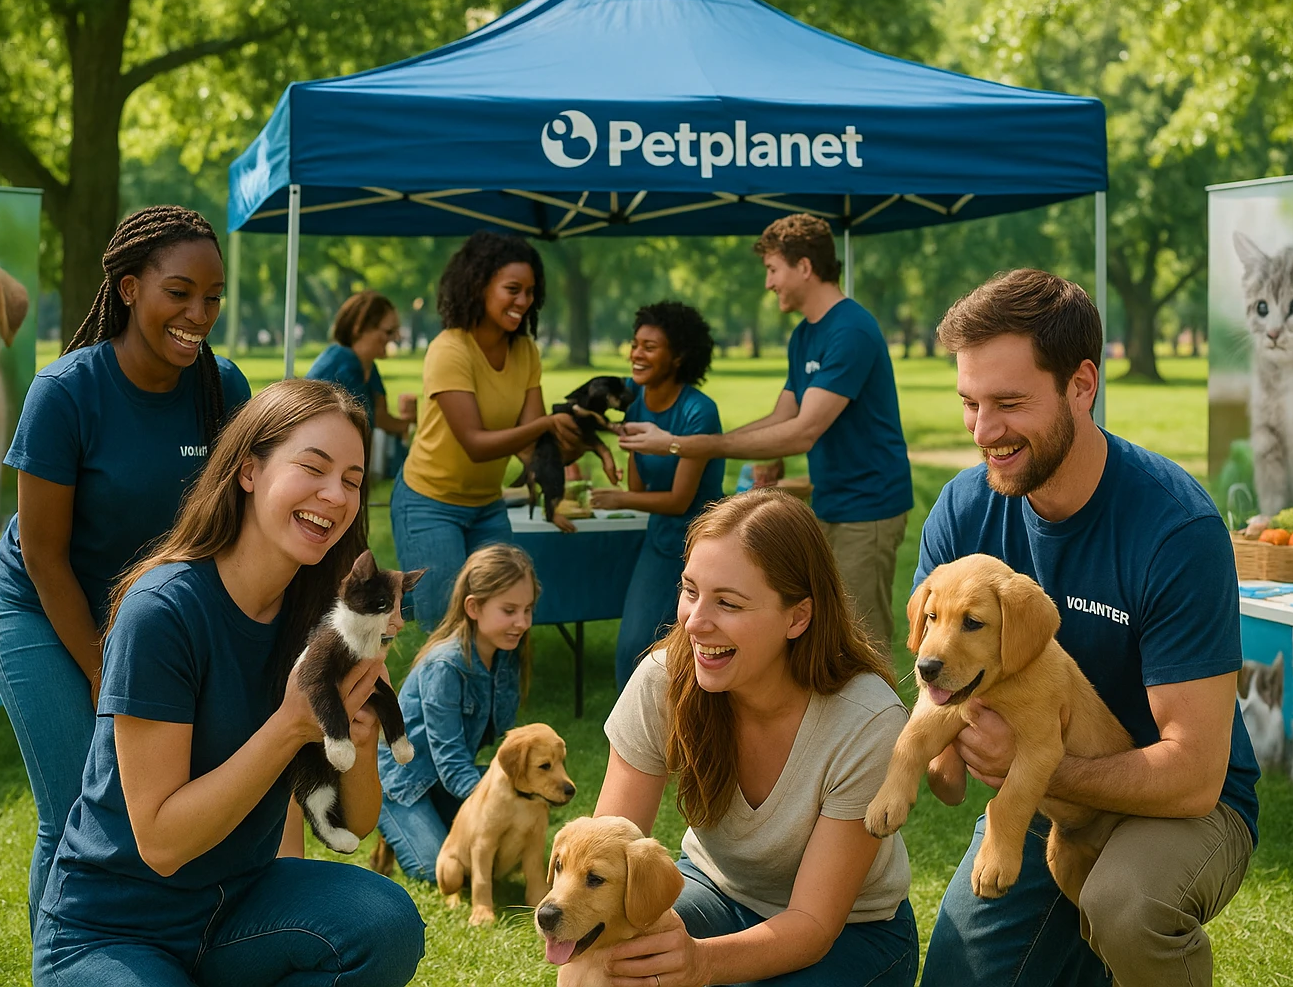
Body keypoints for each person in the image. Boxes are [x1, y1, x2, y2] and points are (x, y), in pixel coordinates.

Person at [912, 270, 1258, 987]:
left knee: (1125, 907)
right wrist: (932, 757)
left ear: (1082, 384)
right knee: (954, 976)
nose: (984, 432)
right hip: (1042, 803)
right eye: (971, 404)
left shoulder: (1175, 529)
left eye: (1009, 403)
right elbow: (932, 678)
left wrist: (1030, 765)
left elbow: (1194, 775)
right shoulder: (962, 511)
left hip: (1180, 804)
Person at [31, 379, 424, 986]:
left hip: (238, 909)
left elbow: (360, 818)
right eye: (313, 468)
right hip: (114, 927)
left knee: (385, 920)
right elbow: (160, 842)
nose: (335, 495)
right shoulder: (162, 611)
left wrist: (364, 738)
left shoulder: (327, 619)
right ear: (247, 471)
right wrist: (292, 725)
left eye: (351, 479)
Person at [0, 205, 251, 930]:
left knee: (153, 803)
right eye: (179, 292)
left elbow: (235, 528)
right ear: (129, 289)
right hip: (42, 606)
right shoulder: (66, 392)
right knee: (77, 802)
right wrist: (104, 670)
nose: (199, 313)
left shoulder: (222, 390)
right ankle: (64, 960)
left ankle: (140, 944)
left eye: (213, 296)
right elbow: (42, 556)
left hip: (150, 619)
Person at [595, 491, 919, 987]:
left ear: (798, 617)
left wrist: (700, 964)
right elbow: (604, 854)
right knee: (616, 965)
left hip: (855, 933)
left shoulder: (867, 721)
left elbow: (812, 925)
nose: (695, 622)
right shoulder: (664, 678)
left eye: (727, 602)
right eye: (690, 591)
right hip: (714, 891)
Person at [620, 214, 912, 649]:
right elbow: (783, 415)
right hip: (832, 501)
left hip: (868, 507)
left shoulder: (851, 329)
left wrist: (682, 444)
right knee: (824, 636)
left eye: (773, 270)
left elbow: (801, 433)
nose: (768, 283)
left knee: (861, 641)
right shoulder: (804, 335)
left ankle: (884, 719)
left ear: (805, 267)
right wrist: (762, 453)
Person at [391, 230, 581, 631]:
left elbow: (530, 441)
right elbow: (476, 444)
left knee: (503, 621)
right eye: (513, 289)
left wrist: (572, 452)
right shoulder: (450, 349)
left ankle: (494, 697)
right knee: (447, 629)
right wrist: (548, 424)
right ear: (479, 285)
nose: (523, 301)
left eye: (530, 292)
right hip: (430, 504)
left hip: (487, 507)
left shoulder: (525, 350)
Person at [372, 543, 539, 881]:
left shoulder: (507, 656)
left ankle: (430, 822)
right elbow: (450, 760)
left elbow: (501, 738)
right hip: (404, 783)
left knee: (508, 854)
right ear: (474, 607)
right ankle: (390, 819)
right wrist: (500, 803)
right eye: (509, 610)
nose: (521, 622)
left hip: (447, 781)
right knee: (446, 871)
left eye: (528, 609)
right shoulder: (445, 665)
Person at [590, 301, 725, 690]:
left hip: (701, 542)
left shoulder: (699, 411)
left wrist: (618, 501)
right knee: (634, 645)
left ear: (678, 356)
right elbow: (638, 484)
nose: (636, 353)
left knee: (692, 644)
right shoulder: (633, 395)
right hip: (660, 538)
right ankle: (631, 737)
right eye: (635, 344)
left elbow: (680, 500)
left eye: (650, 347)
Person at [305, 289, 417, 436]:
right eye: (389, 331)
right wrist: (409, 425)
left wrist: (408, 424)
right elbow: (361, 425)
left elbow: (380, 416)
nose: (395, 337)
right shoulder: (344, 363)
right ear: (359, 329)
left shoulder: (366, 363)